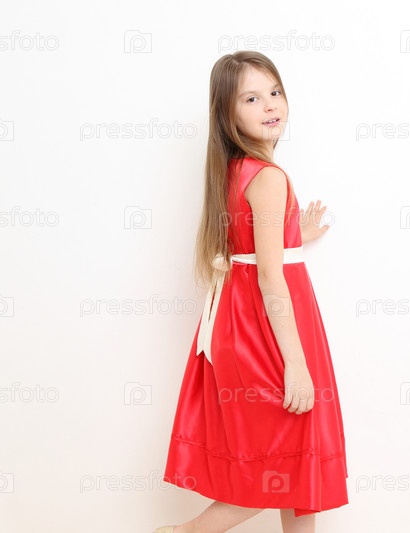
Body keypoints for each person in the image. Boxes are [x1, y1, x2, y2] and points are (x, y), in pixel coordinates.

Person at [154, 51, 348, 533]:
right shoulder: (269, 178)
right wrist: (295, 364)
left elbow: (253, 245)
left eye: (274, 92)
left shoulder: (234, 170)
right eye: (251, 98)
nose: (270, 104)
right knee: (277, 469)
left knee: (295, 463)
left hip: (241, 324)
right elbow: (269, 276)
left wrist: (294, 235)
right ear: (227, 113)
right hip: (271, 331)